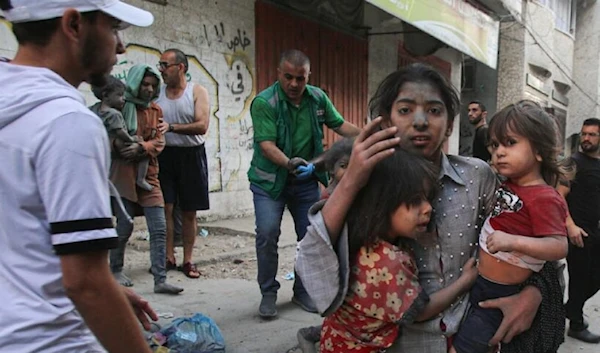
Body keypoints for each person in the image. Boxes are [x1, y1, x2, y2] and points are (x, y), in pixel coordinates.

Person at [296, 64, 563, 353]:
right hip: (398, 343)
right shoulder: (367, 182)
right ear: (386, 122)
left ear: (450, 124)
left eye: (435, 111)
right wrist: (351, 182)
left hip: (470, 332)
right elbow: (311, 263)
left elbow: (538, 238)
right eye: (406, 110)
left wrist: (533, 295)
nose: (421, 121)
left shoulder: (478, 177)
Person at [0, 1, 159, 352]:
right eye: (113, 28)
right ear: (73, 25)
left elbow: (22, 234)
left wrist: (113, 291)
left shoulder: (11, 101)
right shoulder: (67, 122)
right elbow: (86, 284)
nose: (120, 45)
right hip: (50, 339)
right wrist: (105, 291)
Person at [321, 148, 478, 353]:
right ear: (383, 203)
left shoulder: (364, 241)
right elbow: (420, 312)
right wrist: (465, 281)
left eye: (427, 198)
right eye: (415, 201)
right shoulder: (389, 263)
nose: (428, 208)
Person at [248, 49, 361, 318]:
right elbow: (266, 145)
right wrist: (290, 164)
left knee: (311, 237)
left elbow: (341, 125)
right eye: (288, 77)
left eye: (300, 78)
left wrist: (373, 134)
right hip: (270, 184)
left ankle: (302, 291)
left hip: (305, 181)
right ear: (279, 74)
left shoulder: (317, 98)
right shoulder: (265, 102)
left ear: (308, 76)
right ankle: (268, 293)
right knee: (267, 234)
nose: (294, 84)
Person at [451, 101, 569, 353]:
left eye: (510, 143)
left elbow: (558, 246)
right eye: (494, 145)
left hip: (502, 293)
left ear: (539, 150)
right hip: (481, 283)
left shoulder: (545, 197)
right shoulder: (509, 185)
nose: (498, 152)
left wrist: (512, 241)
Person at [109, 63, 183, 295]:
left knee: (159, 228)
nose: (149, 90)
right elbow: (107, 137)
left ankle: (160, 279)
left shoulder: (155, 111)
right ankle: (115, 269)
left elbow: (159, 142)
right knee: (124, 226)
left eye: (153, 86)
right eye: (145, 84)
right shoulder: (119, 106)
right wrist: (123, 147)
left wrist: (142, 147)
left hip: (148, 175)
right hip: (122, 176)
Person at [156, 48, 211, 279]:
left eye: (165, 65)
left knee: (189, 211)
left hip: (191, 155)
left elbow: (202, 126)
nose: (161, 70)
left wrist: (172, 127)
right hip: (165, 155)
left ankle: (188, 261)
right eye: (160, 65)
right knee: (166, 208)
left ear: (180, 67)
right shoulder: (157, 94)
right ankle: (168, 257)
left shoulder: (197, 91)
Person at [296, 137, 354, 352]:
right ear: (331, 170)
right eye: (342, 166)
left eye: (353, 164)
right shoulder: (329, 195)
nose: (348, 171)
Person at [558, 118, 600, 343]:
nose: (586, 138)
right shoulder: (572, 162)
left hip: (596, 231)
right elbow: (559, 196)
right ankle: (575, 323)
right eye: (584, 134)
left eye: (592, 134)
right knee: (580, 278)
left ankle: (571, 308)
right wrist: (570, 225)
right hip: (577, 233)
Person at [90, 75, 152, 191]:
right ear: (106, 95)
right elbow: (120, 132)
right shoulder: (114, 114)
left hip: (102, 144)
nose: (123, 98)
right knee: (145, 152)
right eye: (119, 95)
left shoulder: (94, 109)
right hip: (118, 142)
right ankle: (141, 179)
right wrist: (131, 139)